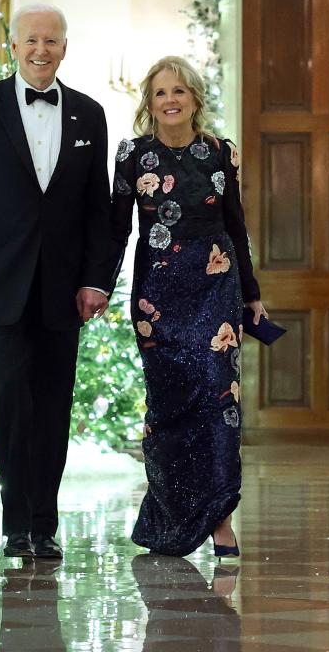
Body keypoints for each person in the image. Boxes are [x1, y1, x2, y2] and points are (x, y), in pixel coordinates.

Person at [0, 3, 114, 560]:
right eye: (32, 40)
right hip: (0, 283)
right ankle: (17, 522)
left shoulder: (89, 114)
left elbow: (97, 211)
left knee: (54, 404)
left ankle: (45, 524)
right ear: (13, 46)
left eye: (53, 41)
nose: (42, 50)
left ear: (65, 48)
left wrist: (95, 280)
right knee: (10, 403)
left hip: (64, 290)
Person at [108, 56, 267, 558]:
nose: (171, 100)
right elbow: (116, 231)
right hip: (157, 293)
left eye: (180, 91)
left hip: (216, 287)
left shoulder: (222, 153)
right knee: (169, 406)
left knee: (218, 403)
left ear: (195, 98)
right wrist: (95, 285)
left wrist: (251, 293)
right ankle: (171, 518)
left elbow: (237, 226)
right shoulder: (132, 155)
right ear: (149, 103)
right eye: (160, 93)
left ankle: (220, 519)